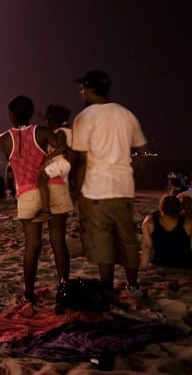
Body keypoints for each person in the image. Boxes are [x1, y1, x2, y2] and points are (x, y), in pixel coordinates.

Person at [72, 69, 148, 300]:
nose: (80, 91)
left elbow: (82, 160)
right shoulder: (126, 114)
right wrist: (132, 175)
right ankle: (133, 286)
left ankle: (107, 288)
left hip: (96, 189)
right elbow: (142, 152)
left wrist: (79, 193)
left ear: (91, 88)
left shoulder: (84, 118)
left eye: (83, 87)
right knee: (127, 239)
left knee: (102, 241)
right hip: (123, 188)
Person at [0, 95, 73, 304]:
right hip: (55, 188)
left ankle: (29, 292)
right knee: (58, 242)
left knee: (32, 246)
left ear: (11, 114)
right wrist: (50, 156)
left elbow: (13, 162)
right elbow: (62, 146)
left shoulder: (3, 140)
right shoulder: (42, 131)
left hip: (28, 194)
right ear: (31, 113)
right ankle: (64, 287)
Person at [36, 104, 74, 219]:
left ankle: (46, 211)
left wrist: (48, 157)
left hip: (62, 162)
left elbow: (62, 147)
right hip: (65, 163)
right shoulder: (67, 130)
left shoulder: (61, 132)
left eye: (48, 119)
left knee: (41, 179)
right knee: (64, 189)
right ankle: (65, 210)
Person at [140, 195, 192, 269]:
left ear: (161, 207)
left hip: (160, 262)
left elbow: (147, 246)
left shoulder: (149, 222)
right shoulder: (188, 223)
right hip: (184, 264)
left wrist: (143, 266)